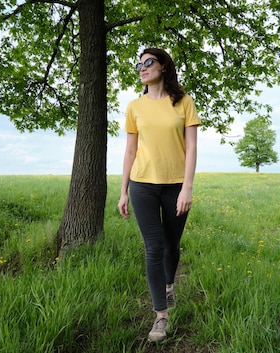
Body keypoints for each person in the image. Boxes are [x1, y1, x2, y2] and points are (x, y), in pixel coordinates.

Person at [118, 47, 200, 342]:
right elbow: (130, 150)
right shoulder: (134, 107)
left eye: (148, 62)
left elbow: (191, 147)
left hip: (176, 184)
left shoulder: (184, 102)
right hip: (143, 185)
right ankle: (161, 316)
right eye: (139, 64)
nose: (142, 67)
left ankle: (169, 283)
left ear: (164, 66)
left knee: (171, 244)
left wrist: (187, 187)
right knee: (153, 247)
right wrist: (123, 191)